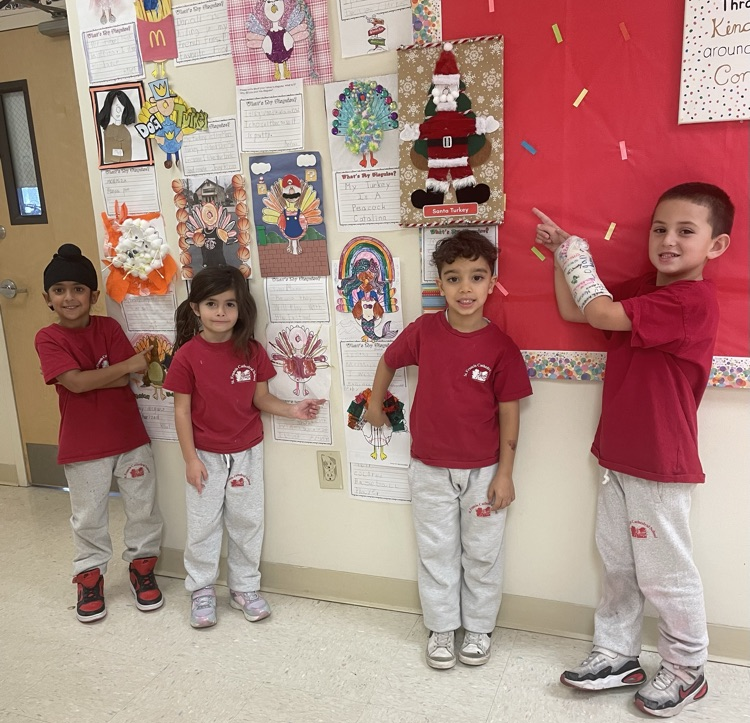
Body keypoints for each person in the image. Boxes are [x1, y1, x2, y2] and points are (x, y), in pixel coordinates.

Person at [533, 182, 733, 718]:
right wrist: (561, 257)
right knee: (619, 564)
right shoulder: (646, 290)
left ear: (716, 245)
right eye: (660, 229)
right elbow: (579, 310)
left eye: (686, 231)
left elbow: (601, 313)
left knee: (666, 573)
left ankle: (687, 667)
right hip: (618, 455)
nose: (668, 240)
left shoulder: (689, 302)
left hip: (659, 462)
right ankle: (618, 654)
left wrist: (575, 252)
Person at [365, 230, 532, 669]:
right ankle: (441, 627)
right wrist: (375, 404)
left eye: (477, 277)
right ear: (439, 284)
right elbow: (389, 360)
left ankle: (478, 627)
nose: (465, 288)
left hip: (485, 471)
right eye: (454, 278)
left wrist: (505, 473)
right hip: (430, 468)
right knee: (436, 552)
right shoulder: (424, 331)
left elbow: (510, 414)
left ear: (492, 283)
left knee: (483, 554)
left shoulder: (501, 347)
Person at [163, 265, 325, 629]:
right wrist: (190, 459)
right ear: (195, 308)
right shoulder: (187, 356)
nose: (221, 312)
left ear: (241, 308)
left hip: (247, 453)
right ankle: (201, 589)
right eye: (211, 304)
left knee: (247, 522)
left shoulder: (251, 351)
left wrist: (293, 409)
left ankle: (245, 587)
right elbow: (181, 410)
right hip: (204, 455)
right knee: (203, 526)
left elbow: (261, 399)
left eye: (230, 304)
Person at [34, 243, 164, 623]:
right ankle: (90, 577)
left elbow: (126, 377)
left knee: (143, 507)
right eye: (59, 290)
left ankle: (142, 567)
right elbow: (75, 383)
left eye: (78, 289)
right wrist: (116, 370)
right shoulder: (48, 338)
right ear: (47, 298)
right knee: (88, 515)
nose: (69, 297)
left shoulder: (108, 327)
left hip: (129, 438)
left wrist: (94, 376)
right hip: (83, 446)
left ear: (93, 295)